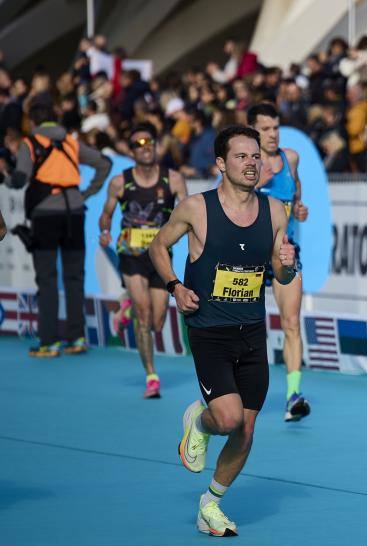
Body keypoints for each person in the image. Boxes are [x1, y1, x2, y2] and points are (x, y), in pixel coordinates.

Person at [149, 125, 297, 537]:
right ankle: (199, 422)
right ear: (220, 163)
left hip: (252, 331)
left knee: (247, 429)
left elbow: (282, 276)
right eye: (241, 157)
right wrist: (175, 287)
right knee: (229, 418)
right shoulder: (196, 208)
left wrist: (287, 264)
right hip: (209, 330)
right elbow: (157, 246)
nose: (252, 164)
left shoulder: (274, 212)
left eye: (256, 157)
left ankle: (210, 505)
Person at [3, 102, 111, 356]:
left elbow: (19, 181)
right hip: (74, 212)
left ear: (32, 122)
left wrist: (5, 177)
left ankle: (49, 342)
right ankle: (77, 338)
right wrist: (85, 193)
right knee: (75, 278)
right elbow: (103, 163)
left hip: (45, 215)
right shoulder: (71, 141)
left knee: (47, 279)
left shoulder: (29, 143)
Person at [99, 123, 187, 398]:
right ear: (131, 151)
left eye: (148, 141)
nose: (144, 147)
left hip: (160, 256)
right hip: (131, 255)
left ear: (156, 146)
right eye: (137, 143)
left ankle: (124, 309)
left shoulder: (172, 180)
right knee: (144, 313)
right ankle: (152, 376)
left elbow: (187, 211)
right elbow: (107, 213)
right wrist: (104, 231)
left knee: (158, 322)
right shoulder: (120, 181)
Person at [247, 103, 312, 422]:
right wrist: (257, 183)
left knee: (291, 323)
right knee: (245, 327)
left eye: (275, 128)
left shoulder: (291, 158)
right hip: (250, 255)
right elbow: (226, 201)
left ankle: (293, 395)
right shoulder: (245, 165)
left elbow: (295, 191)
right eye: (265, 129)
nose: (272, 134)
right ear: (252, 132)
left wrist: (298, 207)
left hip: (287, 252)